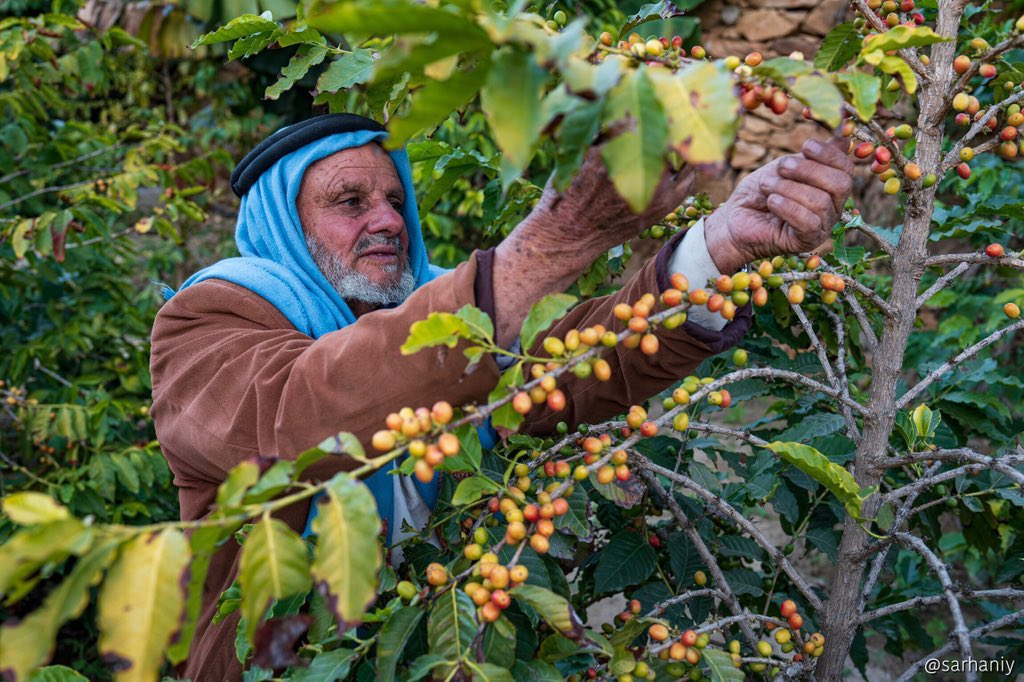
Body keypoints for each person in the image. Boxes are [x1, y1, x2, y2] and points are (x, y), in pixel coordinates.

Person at [149, 113, 853, 680]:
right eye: (349, 202)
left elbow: (575, 363)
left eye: (395, 200)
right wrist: (552, 244)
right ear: (285, 227)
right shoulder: (207, 323)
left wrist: (714, 247)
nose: (388, 220)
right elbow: (299, 416)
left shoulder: (455, 314)